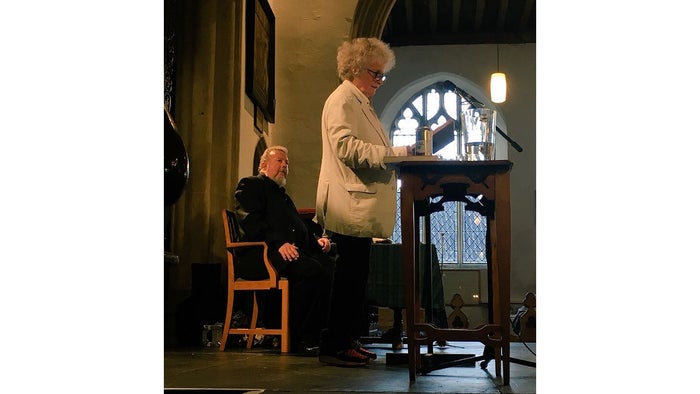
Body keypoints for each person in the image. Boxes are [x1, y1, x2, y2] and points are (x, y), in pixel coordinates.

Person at [314, 37, 414, 367]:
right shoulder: (342, 99)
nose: (379, 81)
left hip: (356, 201)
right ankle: (334, 345)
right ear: (355, 69)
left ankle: (347, 340)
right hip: (348, 201)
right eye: (375, 74)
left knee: (356, 278)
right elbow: (346, 147)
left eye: (382, 75)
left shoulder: (359, 102)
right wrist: (395, 154)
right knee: (349, 278)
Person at [234, 146, 335, 355]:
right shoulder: (251, 185)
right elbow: (251, 221)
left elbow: (299, 229)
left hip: (284, 251)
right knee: (310, 271)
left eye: (286, 163)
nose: (284, 166)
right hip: (261, 254)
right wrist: (278, 243)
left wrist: (318, 242)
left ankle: (319, 335)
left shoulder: (283, 197)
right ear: (263, 165)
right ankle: (297, 336)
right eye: (279, 161)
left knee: (330, 268)